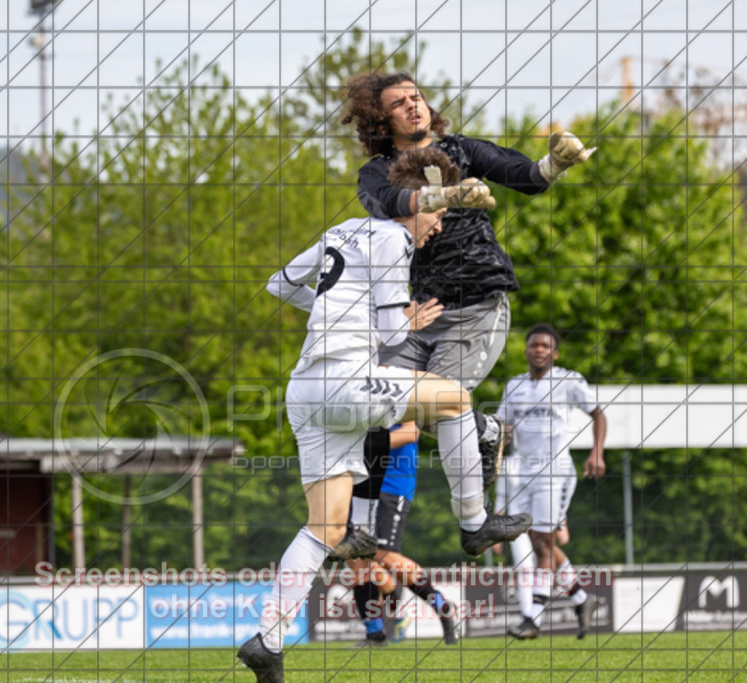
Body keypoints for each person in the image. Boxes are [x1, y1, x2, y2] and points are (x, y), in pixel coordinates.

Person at [238, 148, 532, 682]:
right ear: (419, 200)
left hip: (305, 389)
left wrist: (338, 313)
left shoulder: (341, 229)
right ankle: (474, 522)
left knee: (324, 528)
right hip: (349, 380)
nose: (438, 228)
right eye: (438, 215)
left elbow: (278, 284)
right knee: (457, 401)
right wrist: (410, 318)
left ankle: (268, 640)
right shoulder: (393, 237)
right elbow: (396, 335)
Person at [341, 71, 597, 484]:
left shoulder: (460, 149)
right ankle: (482, 431)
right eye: (398, 103)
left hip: (476, 306)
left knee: (433, 409)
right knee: (371, 398)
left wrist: (555, 164)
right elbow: (384, 203)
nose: (412, 105)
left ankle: (482, 468)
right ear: (380, 121)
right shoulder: (376, 172)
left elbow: (523, 176)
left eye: (416, 96)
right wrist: (442, 196)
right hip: (423, 311)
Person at [494, 324, 607, 640]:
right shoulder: (514, 386)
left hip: (555, 471)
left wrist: (596, 454)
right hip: (524, 474)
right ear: (527, 351)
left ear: (554, 353)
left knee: (544, 542)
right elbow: (504, 430)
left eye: (545, 346)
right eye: (534, 345)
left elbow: (598, 414)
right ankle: (581, 600)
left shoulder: (567, 381)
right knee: (537, 540)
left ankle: (533, 619)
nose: (539, 350)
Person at [347, 422, 458, 648]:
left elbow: (411, 431)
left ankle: (442, 606)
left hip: (392, 484)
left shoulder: (403, 389)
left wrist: (367, 445)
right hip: (362, 484)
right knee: (356, 554)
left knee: (382, 554)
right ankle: (375, 632)